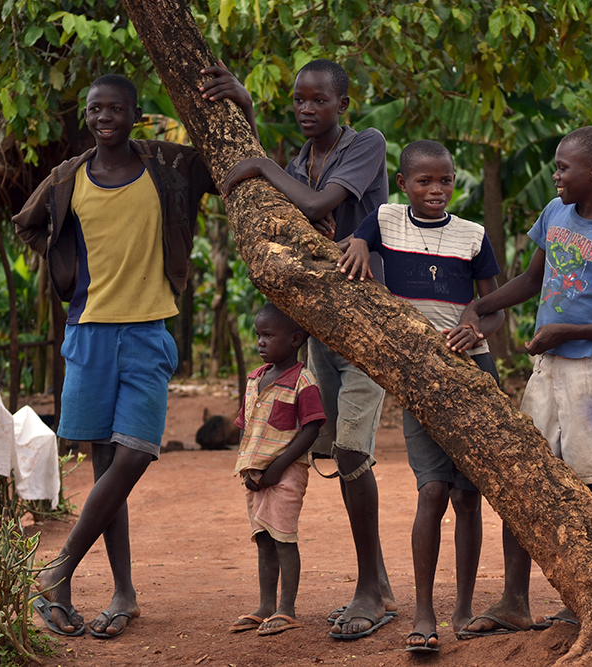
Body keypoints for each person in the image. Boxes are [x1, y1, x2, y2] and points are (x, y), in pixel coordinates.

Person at [13, 67, 256, 639]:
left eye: (115, 109)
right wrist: (63, 259)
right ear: (88, 116)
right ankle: (123, 594)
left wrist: (241, 100)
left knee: (134, 455)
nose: (104, 118)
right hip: (89, 332)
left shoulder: (169, 167)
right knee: (105, 470)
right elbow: (30, 224)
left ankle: (59, 570)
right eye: (95, 109)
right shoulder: (68, 178)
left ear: (134, 113)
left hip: (148, 331)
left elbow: (232, 157)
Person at [448, 125, 592, 637]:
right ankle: (514, 601)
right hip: (549, 370)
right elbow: (532, 279)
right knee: (525, 478)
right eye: (557, 166)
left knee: (590, 489)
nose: (557, 175)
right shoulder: (556, 214)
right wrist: (479, 306)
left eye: (565, 168)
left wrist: (568, 330)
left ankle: (591, 600)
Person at [223, 58, 395, 640]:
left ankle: (373, 589)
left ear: (341, 104)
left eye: (318, 100)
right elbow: (293, 196)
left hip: (366, 317)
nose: (305, 108)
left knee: (351, 451)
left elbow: (317, 207)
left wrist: (260, 165)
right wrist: (244, 107)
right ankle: (378, 584)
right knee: (334, 451)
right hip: (323, 322)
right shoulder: (302, 159)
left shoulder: (365, 143)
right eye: (298, 100)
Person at [337, 139, 505, 652]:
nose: (436, 190)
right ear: (404, 182)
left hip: (472, 374)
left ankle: (463, 608)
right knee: (432, 490)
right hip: (418, 379)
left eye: (446, 180)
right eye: (425, 181)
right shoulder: (386, 220)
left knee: (469, 496)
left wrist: (477, 326)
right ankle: (425, 611)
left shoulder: (472, 235)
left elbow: (494, 307)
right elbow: (357, 241)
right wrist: (361, 244)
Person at [228, 303, 325, 636]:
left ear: (296, 339)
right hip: (256, 478)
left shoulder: (304, 380)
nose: (260, 342)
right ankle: (266, 606)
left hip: (286, 474)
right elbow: (248, 428)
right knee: (264, 540)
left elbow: (311, 430)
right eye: (258, 335)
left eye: (269, 335)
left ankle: (287, 609)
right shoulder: (254, 380)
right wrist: (249, 470)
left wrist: (277, 467)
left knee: (284, 538)